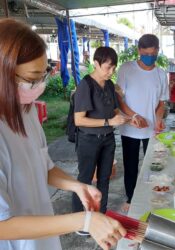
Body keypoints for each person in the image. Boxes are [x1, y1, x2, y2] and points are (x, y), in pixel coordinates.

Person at [0, 19, 126, 250]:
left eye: (43, 75)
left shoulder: (25, 112)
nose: (39, 85)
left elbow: (44, 168)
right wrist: (83, 220)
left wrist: (77, 186)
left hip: (42, 241)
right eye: (31, 79)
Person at [72, 47, 130, 220]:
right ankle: (78, 219)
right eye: (107, 68)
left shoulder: (110, 85)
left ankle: (101, 214)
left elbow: (114, 112)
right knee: (84, 179)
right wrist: (108, 122)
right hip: (88, 140)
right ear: (96, 64)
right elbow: (79, 120)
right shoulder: (86, 85)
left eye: (114, 68)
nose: (111, 72)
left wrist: (128, 118)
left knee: (104, 178)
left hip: (107, 139)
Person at [116, 34, 169, 211]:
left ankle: (151, 197)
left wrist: (159, 119)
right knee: (130, 165)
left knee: (153, 165)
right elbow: (119, 97)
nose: (150, 57)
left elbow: (162, 102)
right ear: (139, 51)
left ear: (158, 51)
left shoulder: (161, 74)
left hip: (151, 130)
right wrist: (134, 116)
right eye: (146, 53)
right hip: (130, 127)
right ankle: (131, 198)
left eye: (153, 53)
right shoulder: (126, 69)